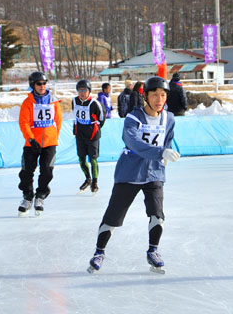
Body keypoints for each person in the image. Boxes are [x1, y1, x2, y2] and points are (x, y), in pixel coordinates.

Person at [87, 76, 180, 274]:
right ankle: (99, 252)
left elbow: (167, 140)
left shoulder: (169, 118)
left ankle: (153, 250)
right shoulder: (133, 118)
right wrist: (160, 152)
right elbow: (134, 143)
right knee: (113, 216)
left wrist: (165, 154)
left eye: (163, 95)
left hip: (154, 172)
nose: (159, 99)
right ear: (145, 96)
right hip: (130, 172)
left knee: (158, 215)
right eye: (154, 95)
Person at [17, 71, 63, 216]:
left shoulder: (53, 100)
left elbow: (58, 121)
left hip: (49, 143)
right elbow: (23, 123)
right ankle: (27, 197)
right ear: (33, 85)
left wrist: (54, 137)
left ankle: (41, 195)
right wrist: (31, 139)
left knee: (47, 171)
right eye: (39, 84)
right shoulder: (28, 102)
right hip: (32, 143)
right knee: (26, 172)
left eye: (44, 83)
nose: (42, 86)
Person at [74, 79, 106, 194]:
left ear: (89, 91)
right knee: (81, 159)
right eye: (80, 90)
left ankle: (95, 182)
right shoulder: (74, 101)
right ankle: (88, 179)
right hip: (80, 134)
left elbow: (102, 118)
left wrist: (95, 127)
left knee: (93, 159)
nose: (82, 93)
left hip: (92, 134)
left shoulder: (95, 103)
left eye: (84, 90)